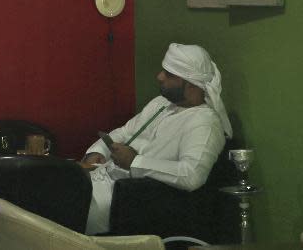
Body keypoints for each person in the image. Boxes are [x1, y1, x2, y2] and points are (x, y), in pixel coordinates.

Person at [80, 43, 232, 235]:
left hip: (126, 200)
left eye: (169, 75)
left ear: (191, 84)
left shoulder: (204, 123)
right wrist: (97, 151)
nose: (159, 76)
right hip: (100, 180)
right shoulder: (161, 103)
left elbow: (192, 175)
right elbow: (124, 132)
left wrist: (135, 162)